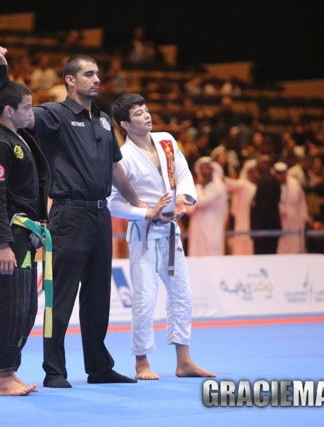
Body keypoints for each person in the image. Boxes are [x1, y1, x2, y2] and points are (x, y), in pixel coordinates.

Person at [0, 45, 143, 388]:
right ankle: (55, 370)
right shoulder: (54, 114)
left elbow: (115, 167)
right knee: (61, 297)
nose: (97, 79)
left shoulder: (102, 119)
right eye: (89, 74)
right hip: (68, 214)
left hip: (101, 216)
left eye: (98, 74)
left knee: (98, 296)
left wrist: (139, 203)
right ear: (70, 80)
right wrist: (2, 78)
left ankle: (99, 367)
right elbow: (18, 113)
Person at [109, 93, 215, 380]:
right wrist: (147, 212)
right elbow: (112, 202)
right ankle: (141, 362)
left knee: (183, 295)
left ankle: (184, 361)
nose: (147, 115)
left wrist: (183, 199)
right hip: (143, 234)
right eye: (139, 113)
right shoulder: (122, 157)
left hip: (170, 231)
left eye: (146, 110)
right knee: (144, 299)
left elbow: (183, 173)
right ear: (125, 124)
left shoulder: (167, 140)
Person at [0, 80, 50, 396]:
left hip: (26, 233)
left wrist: (1, 72)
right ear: (8, 111)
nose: (30, 112)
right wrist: (2, 244)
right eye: (26, 107)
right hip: (12, 237)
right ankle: (2, 377)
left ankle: (12, 369)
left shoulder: (16, 137)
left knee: (27, 307)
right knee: (13, 305)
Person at [187, 156, 228, 256]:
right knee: (196, 253)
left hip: (213, 226)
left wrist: (198, 187)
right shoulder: (198, 187)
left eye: (207, 168)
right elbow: (189, 209)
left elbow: (201, 202)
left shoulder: (218, 186)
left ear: (213, 169)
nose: (204, 171)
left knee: (212, 253)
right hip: (196, 226)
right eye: (202, 168)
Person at [273, 162, 311, 254]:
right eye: (279, 173)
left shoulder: (294, 183)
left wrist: (304, 218)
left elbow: (302, 201)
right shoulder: (272, 184)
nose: (281, 175)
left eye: (283, 173)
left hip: (295, 222)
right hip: (279, 223)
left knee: (296, 248)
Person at [250, 155, 281, 254]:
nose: (258, 165)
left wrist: (257, 229)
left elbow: (265, 208)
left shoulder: (267, 181)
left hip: (265, 230)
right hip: (266, 229)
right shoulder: (266, 180)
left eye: (261, 163)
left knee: (264, 257)